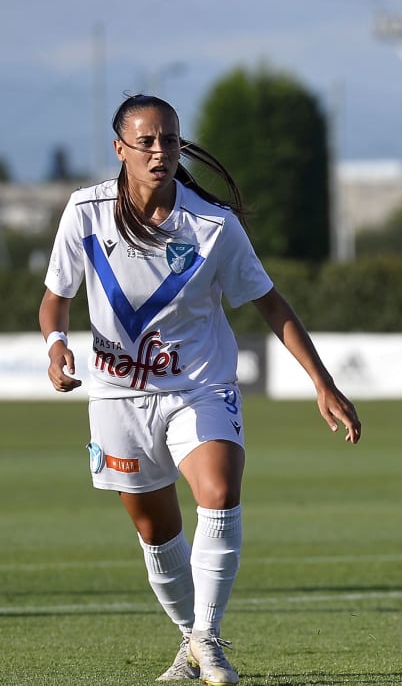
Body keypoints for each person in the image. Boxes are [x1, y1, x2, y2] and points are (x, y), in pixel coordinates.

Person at [39, 94, 362, 685]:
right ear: (120, 150)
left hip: (199, 386)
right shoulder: (84, 212)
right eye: (146, 141)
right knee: (155, 532)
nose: (160, 151)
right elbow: (55, 296)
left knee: (217, 491)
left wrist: (323, 382)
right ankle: (191, 642)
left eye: (170, 139)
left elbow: (270, 301)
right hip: (117, 398)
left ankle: (207, 640)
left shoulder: (213, 225)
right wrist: (56, 344)